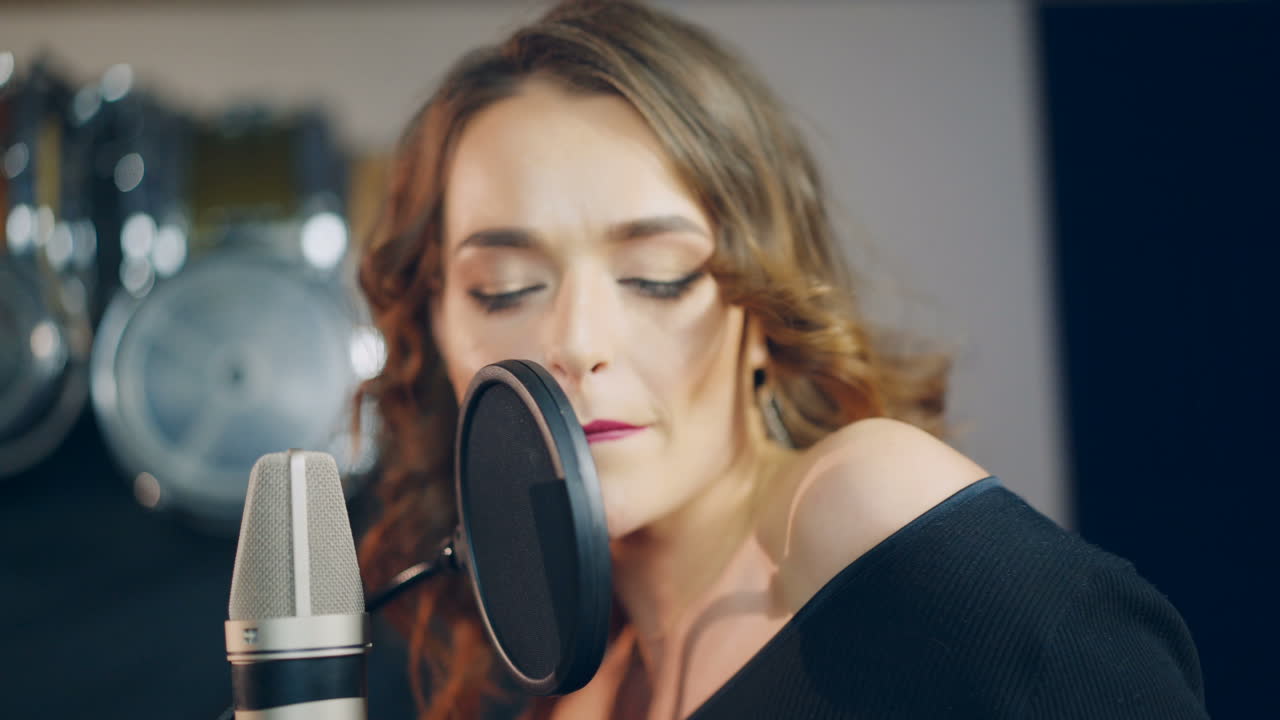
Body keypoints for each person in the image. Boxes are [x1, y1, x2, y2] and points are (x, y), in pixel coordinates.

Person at [354, 2, 1208, 718]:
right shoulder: (577, 697)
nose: (576, 342)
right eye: (504, 289)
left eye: (656, 277)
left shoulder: (863, 509)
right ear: (435, 333)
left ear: (761, 311)